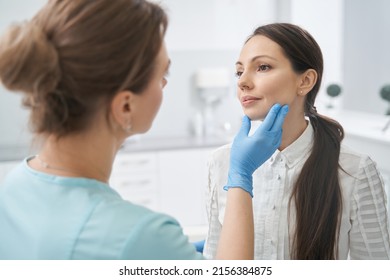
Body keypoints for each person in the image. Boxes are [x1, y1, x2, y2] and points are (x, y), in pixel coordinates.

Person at [0, 0, 288, 260]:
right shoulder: (141, 237)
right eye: (162, 74)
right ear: (125, 106)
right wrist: (240, 175)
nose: (164, 85)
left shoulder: (14, 188)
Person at [203, 23, 390, 260]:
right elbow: (214, 261)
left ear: (305, 81)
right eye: (239, 72)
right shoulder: (221, 163)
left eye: (262, 67)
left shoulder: (355, 170)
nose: (242, 82)